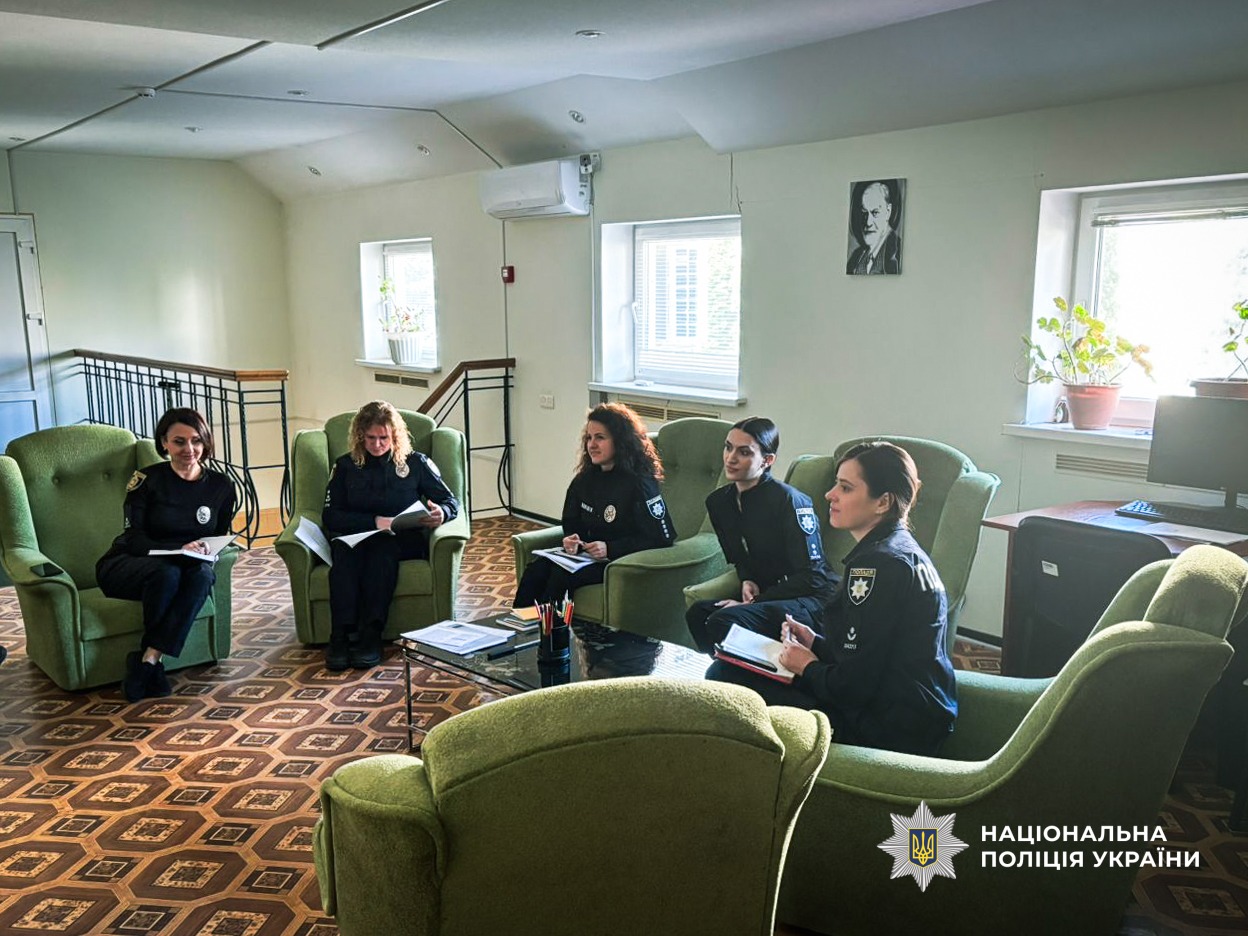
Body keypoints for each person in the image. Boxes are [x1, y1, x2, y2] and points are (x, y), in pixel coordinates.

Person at [710, 441, 956, 756]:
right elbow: (875, 655)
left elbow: (854, 688)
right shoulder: (902, 549)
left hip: (890, 728)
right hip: (915, 711)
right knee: (737, 667)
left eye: (845, 488)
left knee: (724, 674)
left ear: (882, 502)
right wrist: (815, 643)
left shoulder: (876, 566)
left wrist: (806, 666)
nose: (830, 495)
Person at [97, 407, 236, 703]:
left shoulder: (221, 486)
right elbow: (134, 537)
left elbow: (216, 537)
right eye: (179, 441)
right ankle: (151, 665)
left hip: (185, 563)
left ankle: (149, 660)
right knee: (166, 574)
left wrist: (202, 550)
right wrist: (177, 549)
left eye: (196, 441)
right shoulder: (146, 480)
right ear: (164, 443)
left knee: (203, 576)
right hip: (130, 561)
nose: (189, 449)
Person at [322, 400, 459, 671]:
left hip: (399, 539)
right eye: (370, 438)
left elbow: (450, 500)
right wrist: (374, 521)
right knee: (344, 558)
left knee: (381, 555)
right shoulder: (346, 466)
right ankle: (340, 636)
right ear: (360, 436)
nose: (377, 444)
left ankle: (370, 636)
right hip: (356, 537)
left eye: (383, 438)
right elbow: (330, 515)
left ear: (394, 435)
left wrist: (442, 513)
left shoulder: (416, 463)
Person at [686, 416, 837, 654]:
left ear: (767, 460)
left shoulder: (790, 501)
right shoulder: (718, 502)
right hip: (767, 595)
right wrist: (747, 580)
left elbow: (813, 577)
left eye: (744, 452)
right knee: (698, 613)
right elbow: (739, 557)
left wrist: (756, 602)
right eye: (728, 447)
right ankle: (723, 668)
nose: (731, 458)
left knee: (722, 620)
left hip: (810, 598)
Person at [515, 403, 676, 607]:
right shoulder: (584, 480)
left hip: (618, 561)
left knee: (559, 578)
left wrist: (610, 548)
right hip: (585, 557)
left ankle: (551, 628)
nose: (592, 445)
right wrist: (571, 539)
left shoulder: (639, 483)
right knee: (536, 570)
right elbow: (572, 521)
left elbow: (661, 538)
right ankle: (519, 625)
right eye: (589, 438)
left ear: (620, 441)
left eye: (600, 437)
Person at [846, 179, 903, 275]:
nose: (868, 222)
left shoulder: (897, 252)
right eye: (864, 212)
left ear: (888, 212)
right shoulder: (856, 257)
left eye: (875, 213)